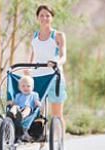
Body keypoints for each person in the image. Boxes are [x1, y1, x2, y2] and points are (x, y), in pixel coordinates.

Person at [26, 4, 68, 134]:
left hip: (54, 78)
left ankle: (60, 142)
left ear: (52, 18)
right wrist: (28, 69)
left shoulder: (58, 35)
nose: (44, 18)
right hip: (38, 78)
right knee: (38, 113)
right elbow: (33, 57)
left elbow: (63, 57)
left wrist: (56, 63)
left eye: (47, 15)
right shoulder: (34, 36)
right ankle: (42, 140)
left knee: (57, 114)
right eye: (41, 15)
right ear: (37, 18)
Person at [7, 75, 41, 141]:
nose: (26, 88)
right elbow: (15, 103)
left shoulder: (34, 94)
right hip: (19, 108)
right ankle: (12, 114)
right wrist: (11, 103)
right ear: (19, 88)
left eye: (28, 86)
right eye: (23, 86)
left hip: (29, 109)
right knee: (15, 106)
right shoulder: (18, 95)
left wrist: (38, 103)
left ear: (32, 87)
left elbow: (37, 101)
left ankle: (22, 116)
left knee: (27, 108)